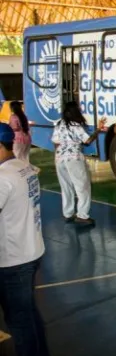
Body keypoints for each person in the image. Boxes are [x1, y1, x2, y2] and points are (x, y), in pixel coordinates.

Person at [0, 123, 50, 356]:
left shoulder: (3, 177)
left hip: (13, 259)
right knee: (28, 313)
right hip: (30, 250)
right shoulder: (22, 166)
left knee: (19, 321)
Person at [51, 102, 106, 225]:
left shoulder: (59, 124)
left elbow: (55, 142)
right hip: (74, 158)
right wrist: (98, 130)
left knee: (66, 187)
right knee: (82, 187)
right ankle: (82, 215)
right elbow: (88, 141)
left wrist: (60, 156)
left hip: (59, 158)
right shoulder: (75, 125)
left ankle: (68, 213)